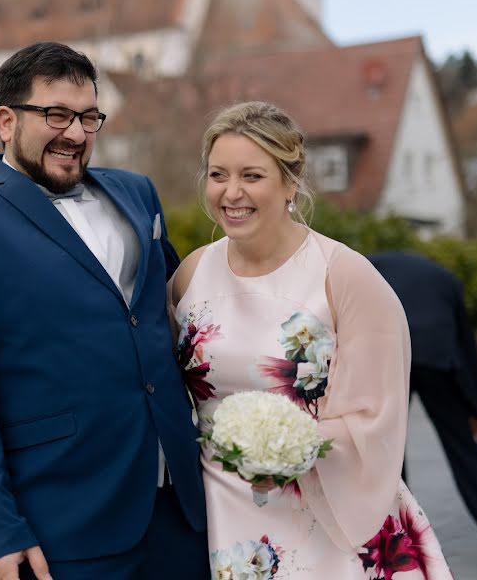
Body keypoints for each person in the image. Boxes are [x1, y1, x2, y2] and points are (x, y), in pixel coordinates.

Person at [0, 42, 209, 580]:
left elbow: (182, 313)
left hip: (181, 508)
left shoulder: (137, 193)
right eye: (56, 115)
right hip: (64, 522)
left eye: (89, 117)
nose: (76, 133)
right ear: (6, 121)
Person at [170, 101, 453, 578]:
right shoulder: (191, 273)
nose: (231, 192)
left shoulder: (343, 275)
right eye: (218, 174)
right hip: (223, 514)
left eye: (252, 176)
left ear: (290, 182)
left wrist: (289, 447)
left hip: (326, 512)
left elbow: (376, 417)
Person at [368, 251, 477, 566]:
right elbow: (466, 343)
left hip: (392, 354)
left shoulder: (362, 265)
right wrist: (474, 405)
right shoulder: (446, 279)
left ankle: (397, 542)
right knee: (464, 451)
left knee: (390, 451)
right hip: (441, 361)